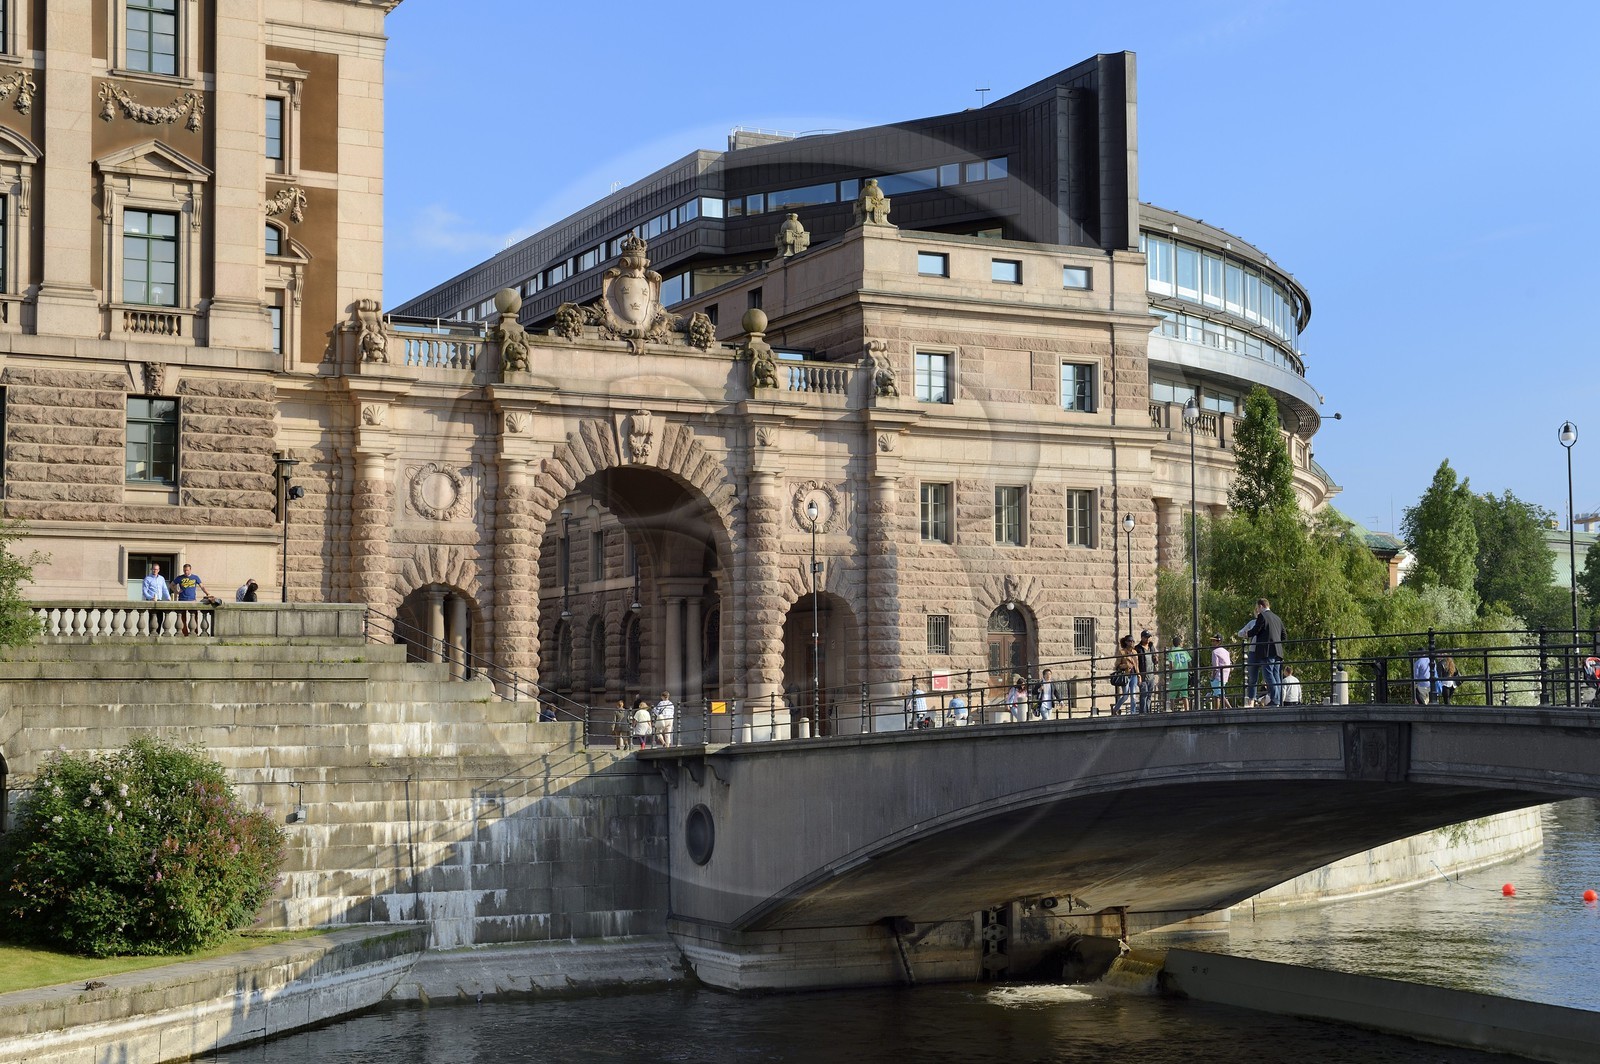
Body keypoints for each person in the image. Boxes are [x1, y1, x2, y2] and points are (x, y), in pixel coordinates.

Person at [1236, 598, 1287, 706]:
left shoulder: (1262, 616)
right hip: (1278, 651)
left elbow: (1256, 630)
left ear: (1260, 606)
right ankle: (1279, 700)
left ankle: (1275, 700)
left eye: (1257, 608)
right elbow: (1284, 636)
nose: (1257, 610)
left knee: (1268, 675)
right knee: (1276, 675)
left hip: (1266, 651)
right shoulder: (1277, 618)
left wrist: (1246, 634)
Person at [1112, 635, 1139, 714]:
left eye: (1133, 641)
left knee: (1133, 696)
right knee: (1125, 695)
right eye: (1130, 641)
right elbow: (1117, 665)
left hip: (1133, 675)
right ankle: (1115, 709)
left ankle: (1133, 713)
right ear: (1126, 642)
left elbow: (1137, 665)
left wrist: (1139, 675)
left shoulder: (1134, 652)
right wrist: (1125, 666)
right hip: (1125, 676)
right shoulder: (1122, 652)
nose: (1132, 643)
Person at [1165, 636, 1191, 712]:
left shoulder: (1171, 652)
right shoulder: (1184, 651)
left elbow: (1171, 665)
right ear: (1180, 643)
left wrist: (1170, 674)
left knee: (1172, 695)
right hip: (1184, 675)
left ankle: (1172, 710)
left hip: (1176, 675)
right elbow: (1190, 663)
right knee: (1184, 694)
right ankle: (1187, 710)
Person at [1136, 630, 1158, 713]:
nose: (1148, 639)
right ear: (1142, 638)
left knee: (1149, 695)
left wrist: (1156, 659)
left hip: (1151, 675)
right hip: (1143, 675)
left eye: (1149, 637)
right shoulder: (1138, 648)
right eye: (1146, 637)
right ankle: (1143, 713)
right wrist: (1138, 676)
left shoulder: (1151, 647)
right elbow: (1136, 663)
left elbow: (1155, 658)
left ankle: (1148, 712)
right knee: (1143, 695)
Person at [1209, 634, 1233, 710]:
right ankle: (1216, 709)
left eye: (1214, 641)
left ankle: (1230, 708)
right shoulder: (1226, 651)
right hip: (1225, 674)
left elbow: (1215, 666)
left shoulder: (1215, 652)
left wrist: (1212, 676)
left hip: (1219, 675)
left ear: (1218, 642)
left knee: (1219, 693)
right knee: (1217, 693)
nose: (1212, 642)